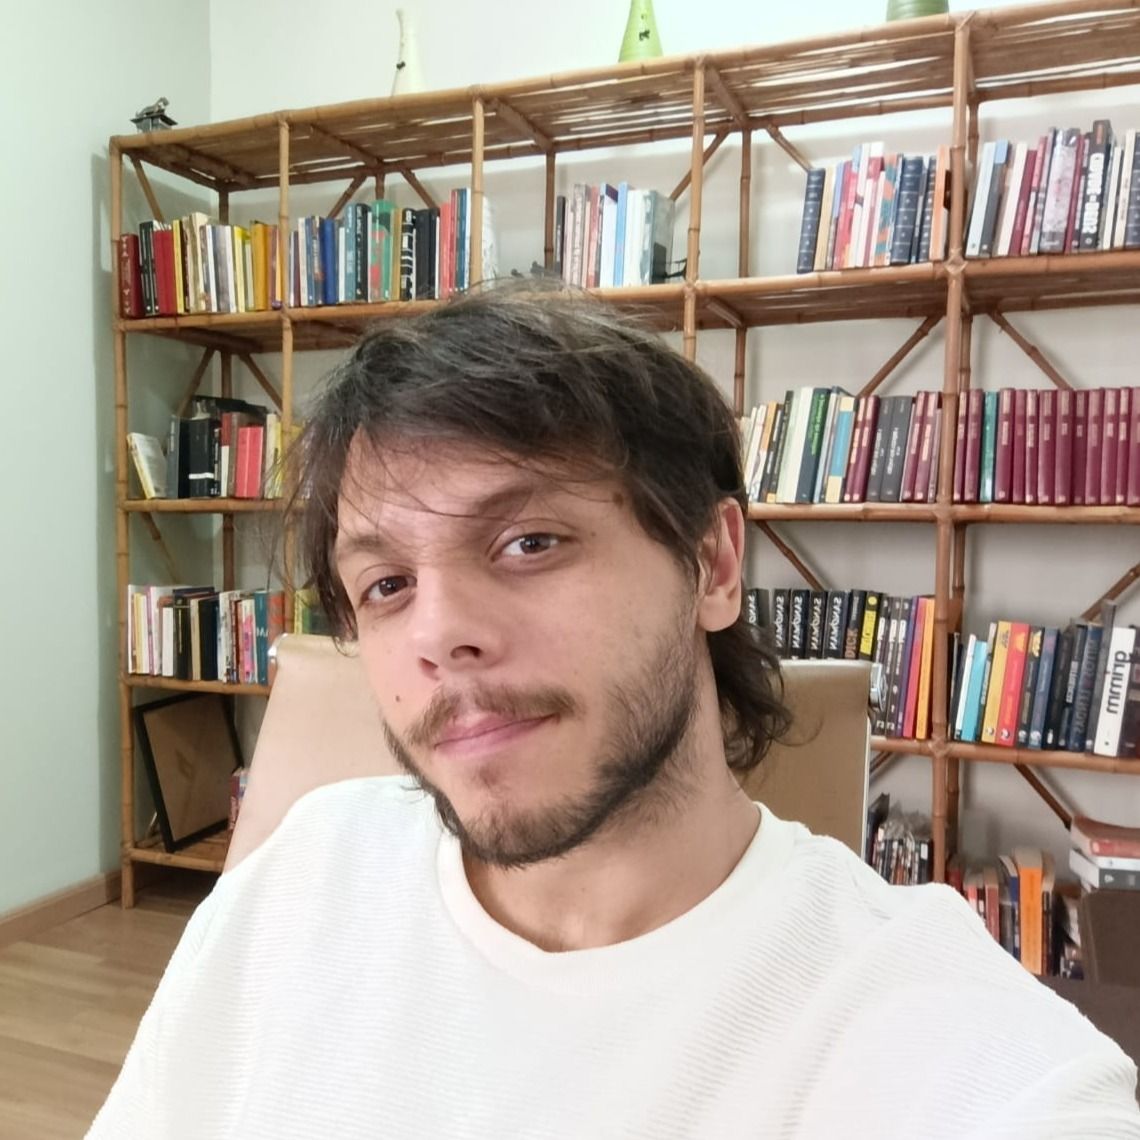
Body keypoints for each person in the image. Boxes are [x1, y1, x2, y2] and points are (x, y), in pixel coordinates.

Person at [88, 284, 1140, 1139]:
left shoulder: (931, 1035)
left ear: (712, 564)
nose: (439, 635)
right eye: (387, 584)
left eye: (529, 542)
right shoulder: (304, 872)